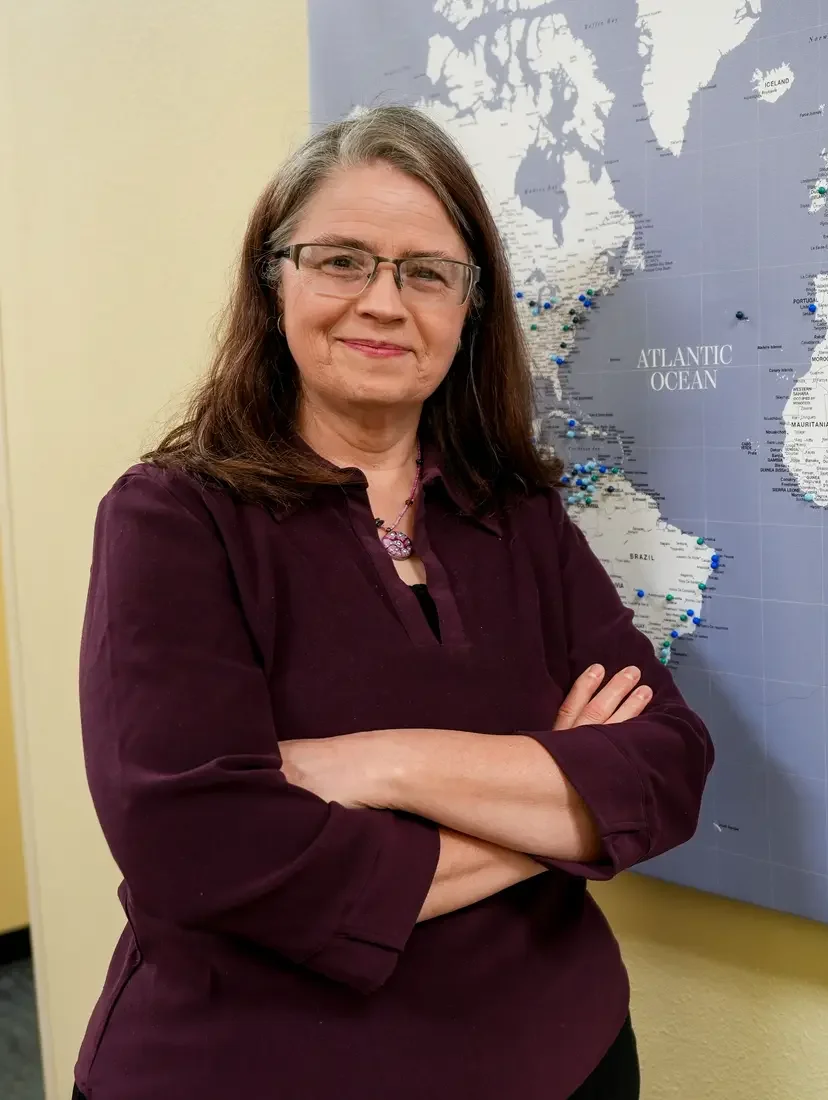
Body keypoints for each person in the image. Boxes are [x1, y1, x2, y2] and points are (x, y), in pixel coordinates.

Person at [73, 104, 713, 1100]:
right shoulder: (172, 518)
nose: (382, 301)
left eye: (425, 271)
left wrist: (380, 763)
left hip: (567, 1054)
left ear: (468, 309)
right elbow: (195, 849)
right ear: (272, 279)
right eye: (340, 260)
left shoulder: (515, 513)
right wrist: (557, 806)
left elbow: (666, 766)